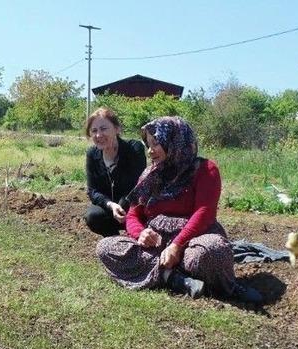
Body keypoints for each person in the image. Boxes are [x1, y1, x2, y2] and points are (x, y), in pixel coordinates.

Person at [96, 116, 262, 302]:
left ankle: (227, 286)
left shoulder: (205, 169)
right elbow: (134, 214)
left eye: (156, 143)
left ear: (174, 140)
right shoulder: (149, 175)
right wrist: (141, 234)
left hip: (193, 241)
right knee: (105, 247)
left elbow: (204, 213)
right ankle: (173, 278)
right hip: (156, 245)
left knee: (212, 251)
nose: (150, 151)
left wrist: (177, 244)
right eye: (148, 144)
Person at [83, 107, 147, 237]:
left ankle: (137, 238)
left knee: (133, 208)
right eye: (94, 131)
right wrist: (111, 205)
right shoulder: (92, 154)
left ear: (117, 129)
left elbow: (137, 186)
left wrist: (121, 205)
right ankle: (114, 242)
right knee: (92, 216)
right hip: (109, 208)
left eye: (103, 129)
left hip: (133, 207)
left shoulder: (134, 149)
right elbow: (93, 191)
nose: (98, 135)